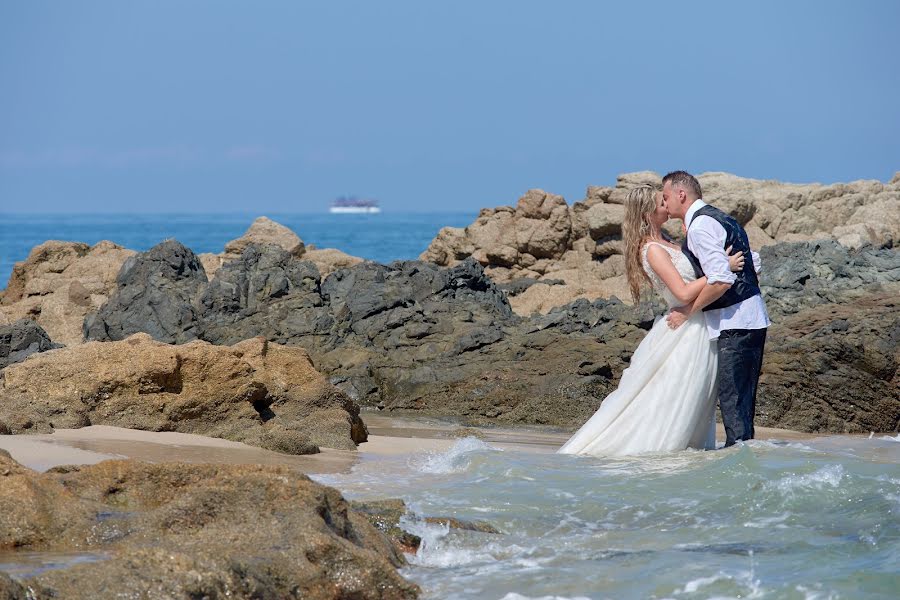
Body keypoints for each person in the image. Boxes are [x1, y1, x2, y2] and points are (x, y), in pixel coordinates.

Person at [557, 184, 754, 456]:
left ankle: (687, 456)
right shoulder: (652, 250)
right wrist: (723, 269)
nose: (667, 204)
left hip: (697, 325)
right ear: (648, 212)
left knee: (691, 399)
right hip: (684, 328)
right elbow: (682, 292)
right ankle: (660, 452)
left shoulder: (669, 241)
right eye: (662, 202)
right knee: (672, 398)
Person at [662, 170, 770, 447]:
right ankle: (744, 467)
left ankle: (739, 467)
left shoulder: (699, 226)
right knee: (741, 404)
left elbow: (720, 280)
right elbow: (753, 261)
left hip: (736, 321)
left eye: (665, 197)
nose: (664, 203)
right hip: (749, 316)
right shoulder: (719, 217)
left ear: (680, 194)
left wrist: (688, 311)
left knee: (734, 403)